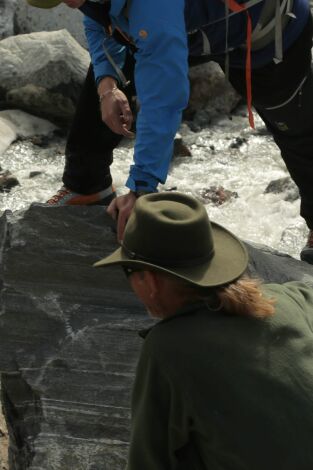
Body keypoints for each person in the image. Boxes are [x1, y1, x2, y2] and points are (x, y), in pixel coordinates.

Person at [27, 0, 313, 263]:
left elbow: (164, 93)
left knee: (298, 133)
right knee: (112, 75)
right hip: (185, 24)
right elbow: (98, 19)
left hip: (263, 32)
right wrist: (107, 85)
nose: (72, 4)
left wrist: (142, 188)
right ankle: (86, 186)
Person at [94, 191, 313, 470]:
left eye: (127, 271)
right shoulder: (287, 297)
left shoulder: (168, 347)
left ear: (148, 280)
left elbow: (148, 460)